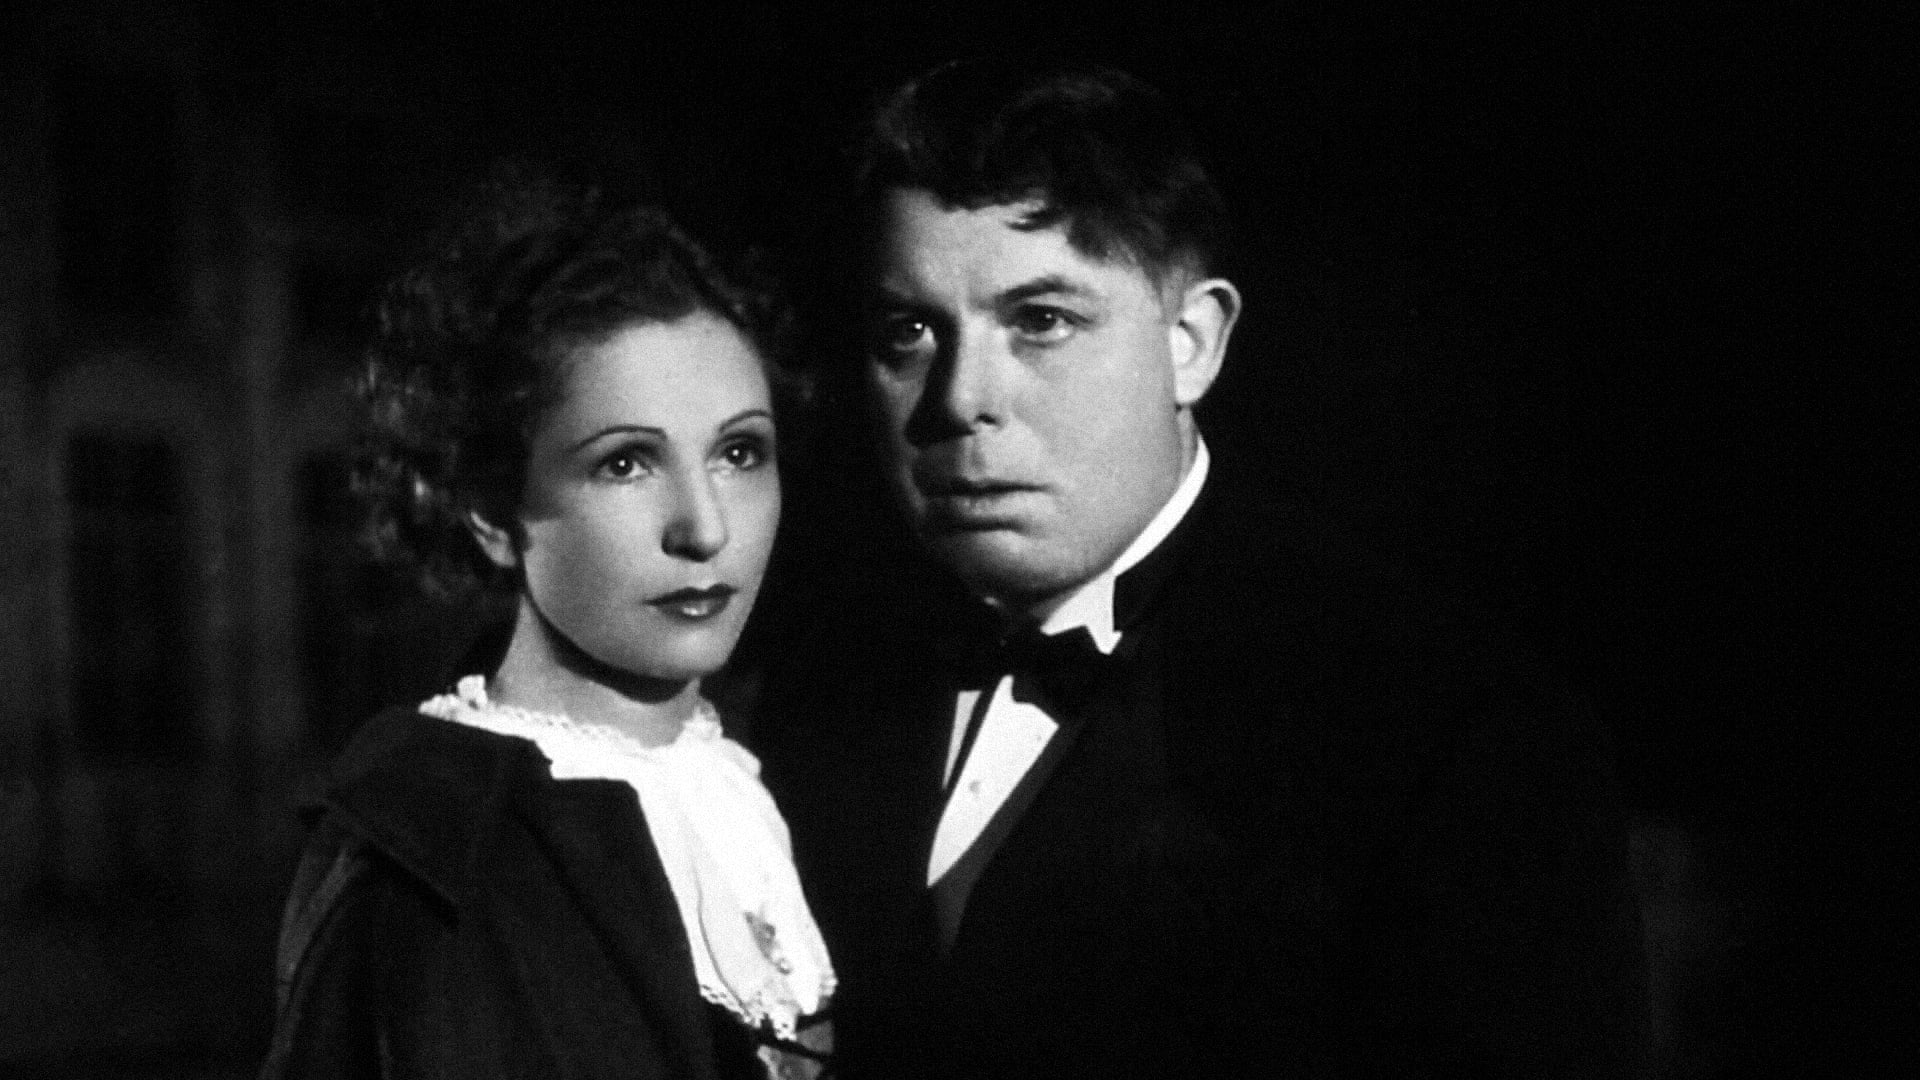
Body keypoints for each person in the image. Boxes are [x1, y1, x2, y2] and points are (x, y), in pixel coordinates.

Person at [756, 59, 1647, 1078]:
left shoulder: (1451, 730)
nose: (961, 398)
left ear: (1192, 342)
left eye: (1041, 321)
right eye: (909, 333)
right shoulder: (817, 673)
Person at [259, 172, 834, 1080]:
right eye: (626, 463)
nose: (705, 529)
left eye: (738, 453)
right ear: (492, 512)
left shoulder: (743, 790)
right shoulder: (447, 861)